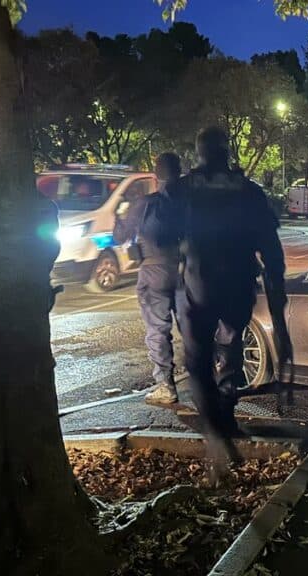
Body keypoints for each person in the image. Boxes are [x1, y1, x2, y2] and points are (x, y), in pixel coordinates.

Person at [170, 126, 289, 457]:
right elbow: (272, 250)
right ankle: (225, 418)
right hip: (237, 289)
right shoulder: (249, 192)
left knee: (198, 361)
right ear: (228, 152)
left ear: (200, 153)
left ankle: (215, 430)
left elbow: (158, 238)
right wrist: (278, 305)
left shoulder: (183, 190)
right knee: (231, 347)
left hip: (198, 288)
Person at [118, 152, 183, 404]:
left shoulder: (145, 203)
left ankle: (166, 385)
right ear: (179, 172)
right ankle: (206, 381)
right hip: (188, 272)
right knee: (194, 328)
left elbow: (120, 237)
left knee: (157, 328)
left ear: (156, 175)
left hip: (155, 271)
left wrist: (120, 215)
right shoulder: (191, 203)